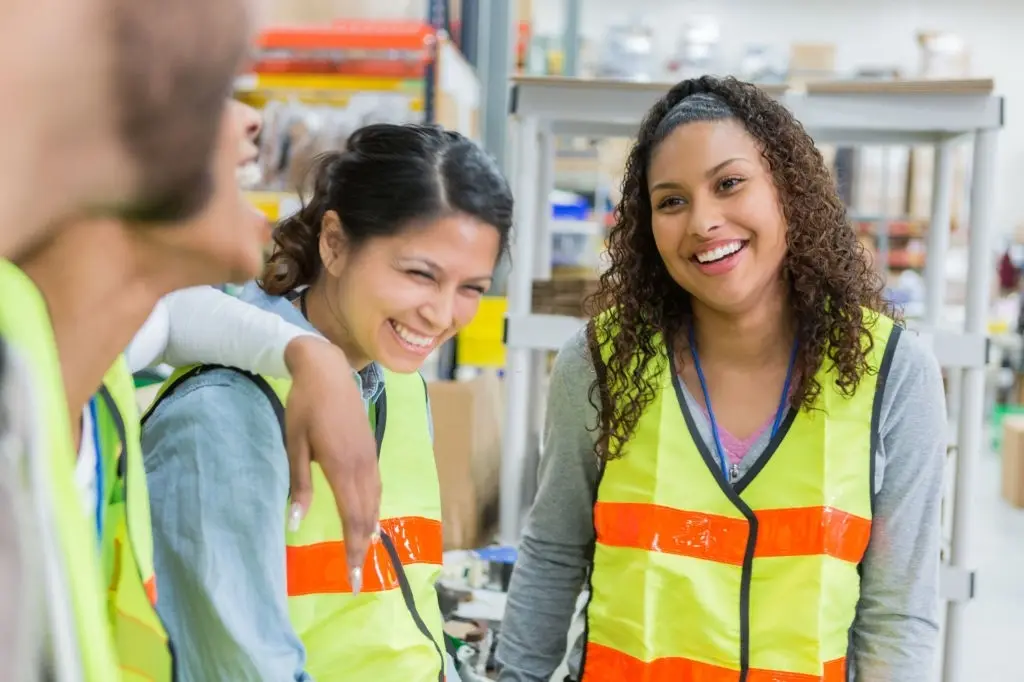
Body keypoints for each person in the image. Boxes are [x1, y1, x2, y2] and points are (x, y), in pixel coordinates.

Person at [495, 76, 947, 682]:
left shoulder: (890, 371)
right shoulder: (600, 362)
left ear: (787, 187)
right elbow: (553, 554)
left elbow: (898, 612)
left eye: (729, 183)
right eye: (671, 202)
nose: (703, 221)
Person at [10, 99, 384, 680]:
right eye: (206, 88)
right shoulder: (26, 358)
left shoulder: (93, 350)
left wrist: (310, 354)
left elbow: (171, 316)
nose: (252, 119)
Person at [141, 123, 514, 681]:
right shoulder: (222, 414)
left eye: (471, 288)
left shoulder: (399, 386)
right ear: (335, 244)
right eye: (419, 274)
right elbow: (240, 669)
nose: (441, 315)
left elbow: (403, 618)